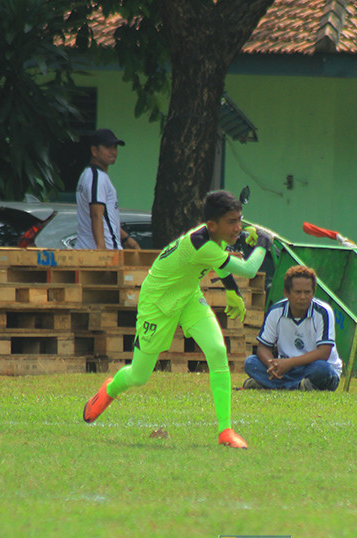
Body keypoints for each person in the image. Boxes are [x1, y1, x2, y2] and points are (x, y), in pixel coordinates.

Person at [82, 190, 273, 449]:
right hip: (158, 303)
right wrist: (263, 243)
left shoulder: (212, 237)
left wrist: (231, 290)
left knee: (217, 350)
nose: (238, 227)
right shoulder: (201, 244)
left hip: (188, 296)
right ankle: (110, 389)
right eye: (232, 222)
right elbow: (249, 269)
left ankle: (225, 430)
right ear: (212, 224)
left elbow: (221, 258)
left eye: (240, 220)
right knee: (139, 376)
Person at [243, 265, 342, 391]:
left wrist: (290, 363)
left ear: (313, 292)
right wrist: (272, 365)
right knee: (251, 363)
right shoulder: (276, 311)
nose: (303, 297)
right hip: (286, 369)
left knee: (321, 369)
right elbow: (263, 347)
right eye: (298, 292)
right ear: (286, 293)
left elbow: (324, 352)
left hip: (313, 367)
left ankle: (271, 385)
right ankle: (299, 386)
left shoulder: (323, 312)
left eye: (307, 292)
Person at [75, 128, 139, 250]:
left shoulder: (91, 175)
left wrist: (126, 238)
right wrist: (101, 252)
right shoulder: (96, 177)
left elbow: (106, 217)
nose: (113, 152)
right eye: (107, 147)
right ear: (94, 151)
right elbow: (96, 214)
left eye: (115, 147)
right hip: (104, 253)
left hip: (96, 253)